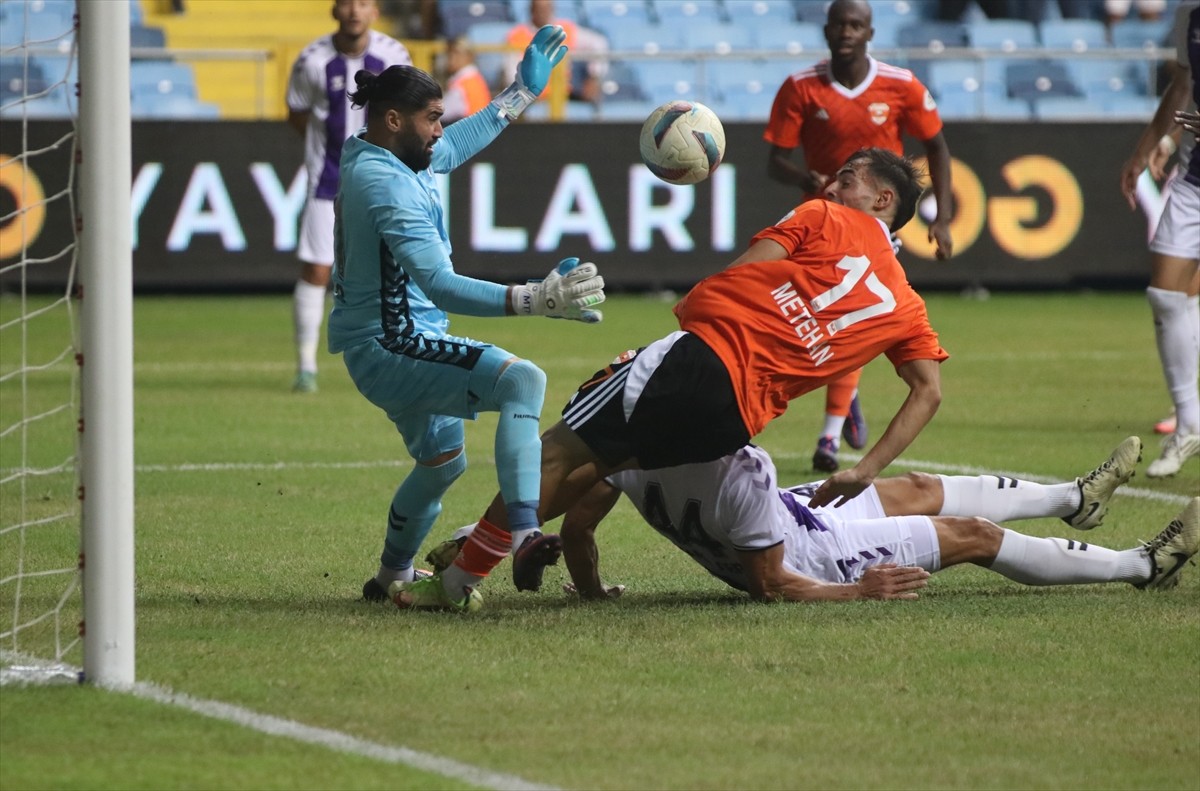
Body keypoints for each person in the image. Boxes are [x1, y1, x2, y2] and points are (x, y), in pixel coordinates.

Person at [390, 147, 949, 611]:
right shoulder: (907, 307)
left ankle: (461, 579)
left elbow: (746, 271)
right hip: (736, 420)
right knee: (600, 464)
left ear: (882, 201)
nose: (831, 185)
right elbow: (928, 391)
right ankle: (474, 548)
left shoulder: (823, 217)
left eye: (847, 179)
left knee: (557, 454)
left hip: (700, 360)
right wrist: (866, 470)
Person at [331, 27, 607, 608]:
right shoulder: (382, 184)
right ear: (393, 120)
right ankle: (527, 534)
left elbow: (457, 144)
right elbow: (439, 285)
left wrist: (519, 94)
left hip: (390, 340)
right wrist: (536, 299)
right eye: (432, 118)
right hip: (392, 343)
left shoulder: (396, 157)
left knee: (440, 465)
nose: (441, 128)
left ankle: (389, 578)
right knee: (522, 379)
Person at [551, 437, 1199, 602]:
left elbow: (575, 529)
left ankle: (1074, 498)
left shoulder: (631, 451)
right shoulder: (738, 467)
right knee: (974, 535)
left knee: (914, 485)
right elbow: (771, 583)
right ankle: (1141, 565)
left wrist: (590, 593)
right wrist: (853, 590)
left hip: (781, 513)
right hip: (811, 551)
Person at [763, 0, 954, 474]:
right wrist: (802, 177)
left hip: (872, 223)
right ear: (826, 31)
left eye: (856, 24)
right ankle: (842, 398)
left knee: (855, 313)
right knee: (798, 309)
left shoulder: (902, 85)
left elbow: (937, 146)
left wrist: (942, 215)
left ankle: (828, 437)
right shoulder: (800, 86)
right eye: (839, 24)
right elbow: (774, 161)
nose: (846, 32)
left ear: (870, 32)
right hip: (821, 212)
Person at [286, 0, 413, 394]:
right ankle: (306, 365)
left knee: (399, 270)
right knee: (317, 271)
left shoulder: (394, 56)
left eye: (363, 3)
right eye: (347, 4)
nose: (355, 11)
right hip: (328, 184)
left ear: (374, 11)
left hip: (383, 185)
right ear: (334, 11)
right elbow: (297, 112)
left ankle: (406, 358)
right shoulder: (311, 60)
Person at [1118, 1, 1200, 478]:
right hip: (1194, 178)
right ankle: (1189, 424)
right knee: (1167, 295)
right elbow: (1184, 84)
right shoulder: (1189, 13)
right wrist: (1153, 146)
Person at [503, 0, 608, 104]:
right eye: (539, 8)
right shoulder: (517, 35)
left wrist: (594, 77)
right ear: (531, 10)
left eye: (547, 8)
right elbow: (511, 73)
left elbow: (599, 44)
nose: (543, 12)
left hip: (565, 97)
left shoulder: (564, 30)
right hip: (531, 100)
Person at [441, 36, 492, 123]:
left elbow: (441, 113)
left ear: (469, 56)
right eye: (450, 53)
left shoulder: (463, 83)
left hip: (471, 132)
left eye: (456, 53)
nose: (451, 58)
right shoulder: (475, 78)